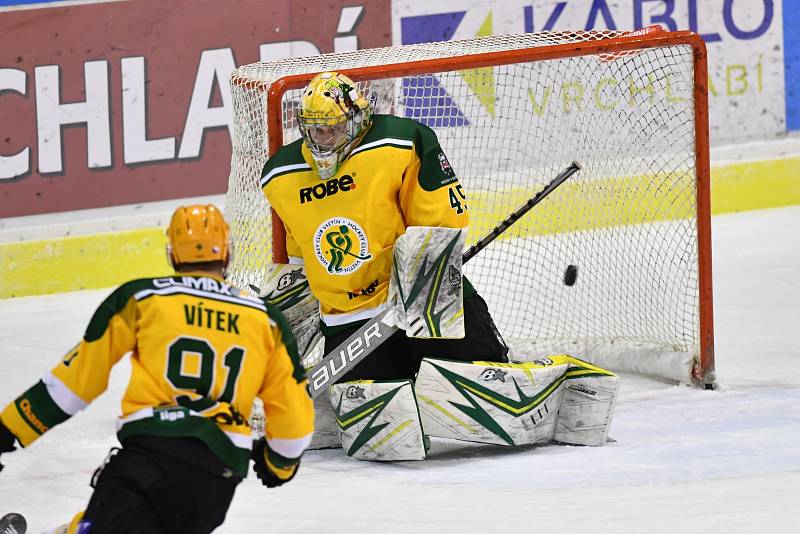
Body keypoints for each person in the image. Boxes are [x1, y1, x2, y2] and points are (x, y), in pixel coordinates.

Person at [0, 204, 314, 533]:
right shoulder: (265, 320)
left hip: (149, 461)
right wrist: (279, 462)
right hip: (215, 483)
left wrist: (7, 429)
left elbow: (75, 384)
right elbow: (296, 418)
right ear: (227, 254)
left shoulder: (142, 298)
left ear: (172, 254)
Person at [260, 71, 509, 384]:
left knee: (472, 391)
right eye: (316, 130)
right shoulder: (280, 176)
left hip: (424, 298)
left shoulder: (401, 142)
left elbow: (440, 221)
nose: (325, 139)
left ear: (357, 120)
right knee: (373, 422)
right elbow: (298, 255)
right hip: (350, 322)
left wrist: (412, 284)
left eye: (334, 129)